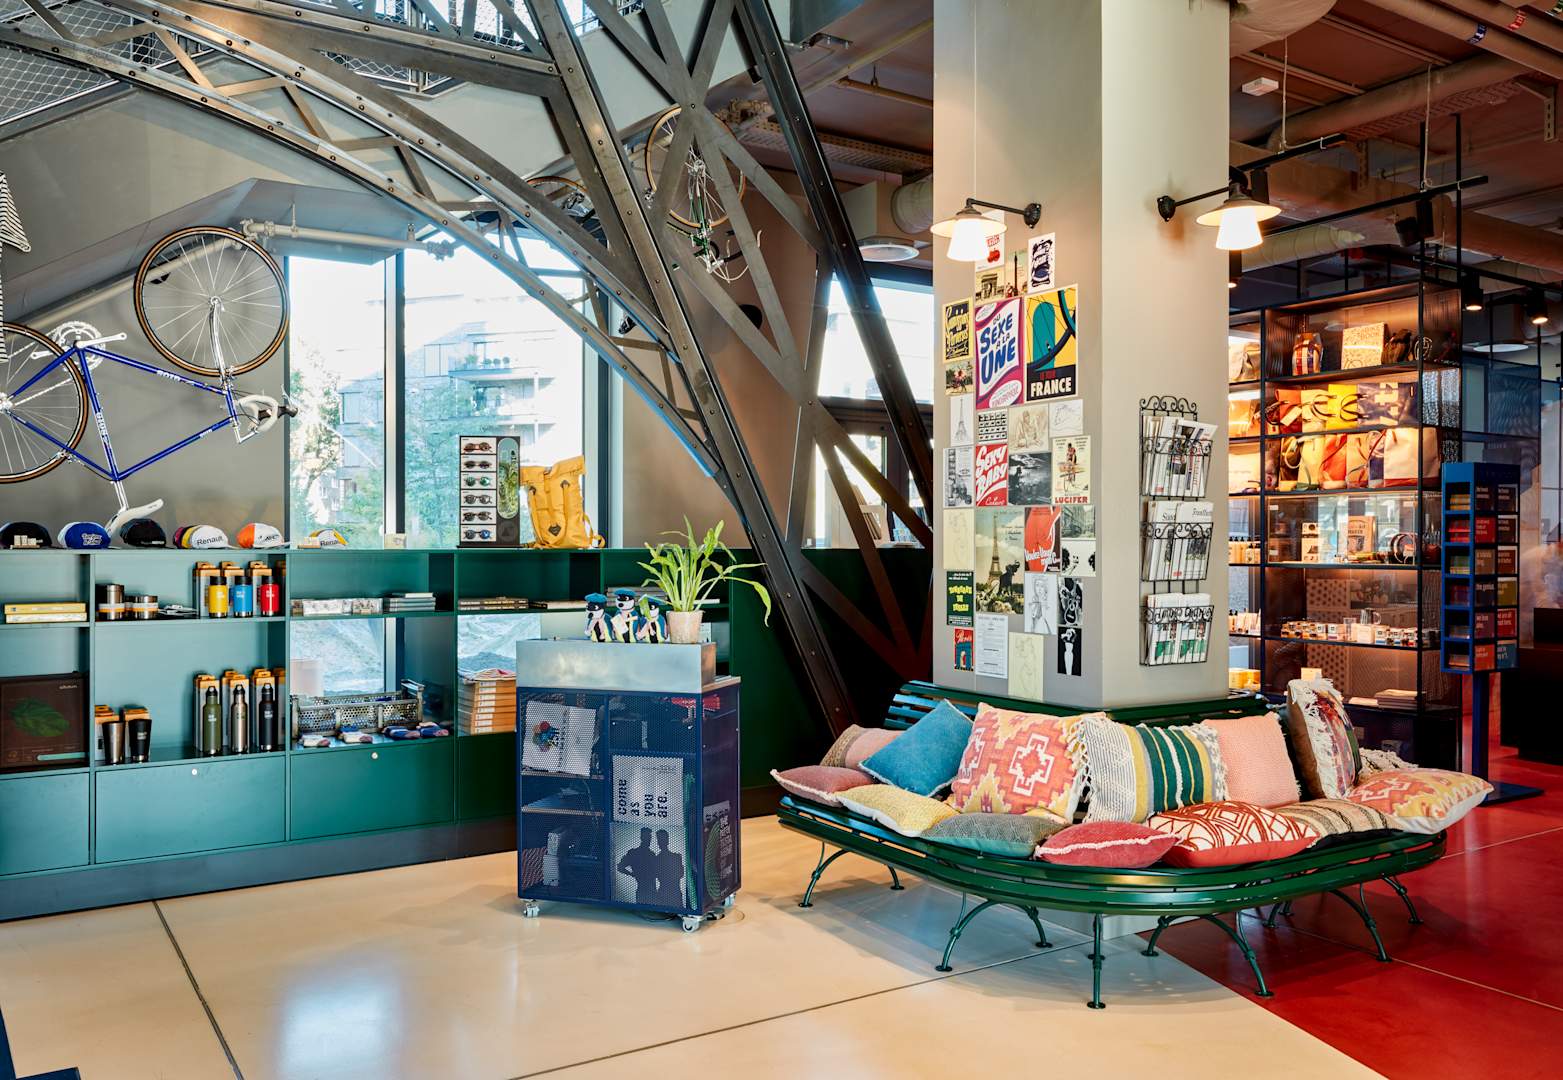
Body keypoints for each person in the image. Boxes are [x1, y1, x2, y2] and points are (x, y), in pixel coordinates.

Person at [617, 827, 657, 904]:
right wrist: (632, 874)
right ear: (642, 838)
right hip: (642, 890)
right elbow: (620, 867)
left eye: (650, 837)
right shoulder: (634, 853)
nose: (649, 840)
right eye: (647, 837)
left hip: (652, 891)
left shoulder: (652, 854)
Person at [652, 828, 685, 908]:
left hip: (674, 893)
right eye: (659, 840)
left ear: (667, 841)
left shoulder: (676, 857)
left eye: (662, 839)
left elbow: (681, 874)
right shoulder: (657, 859)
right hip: (664, 893)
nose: (660, 842)